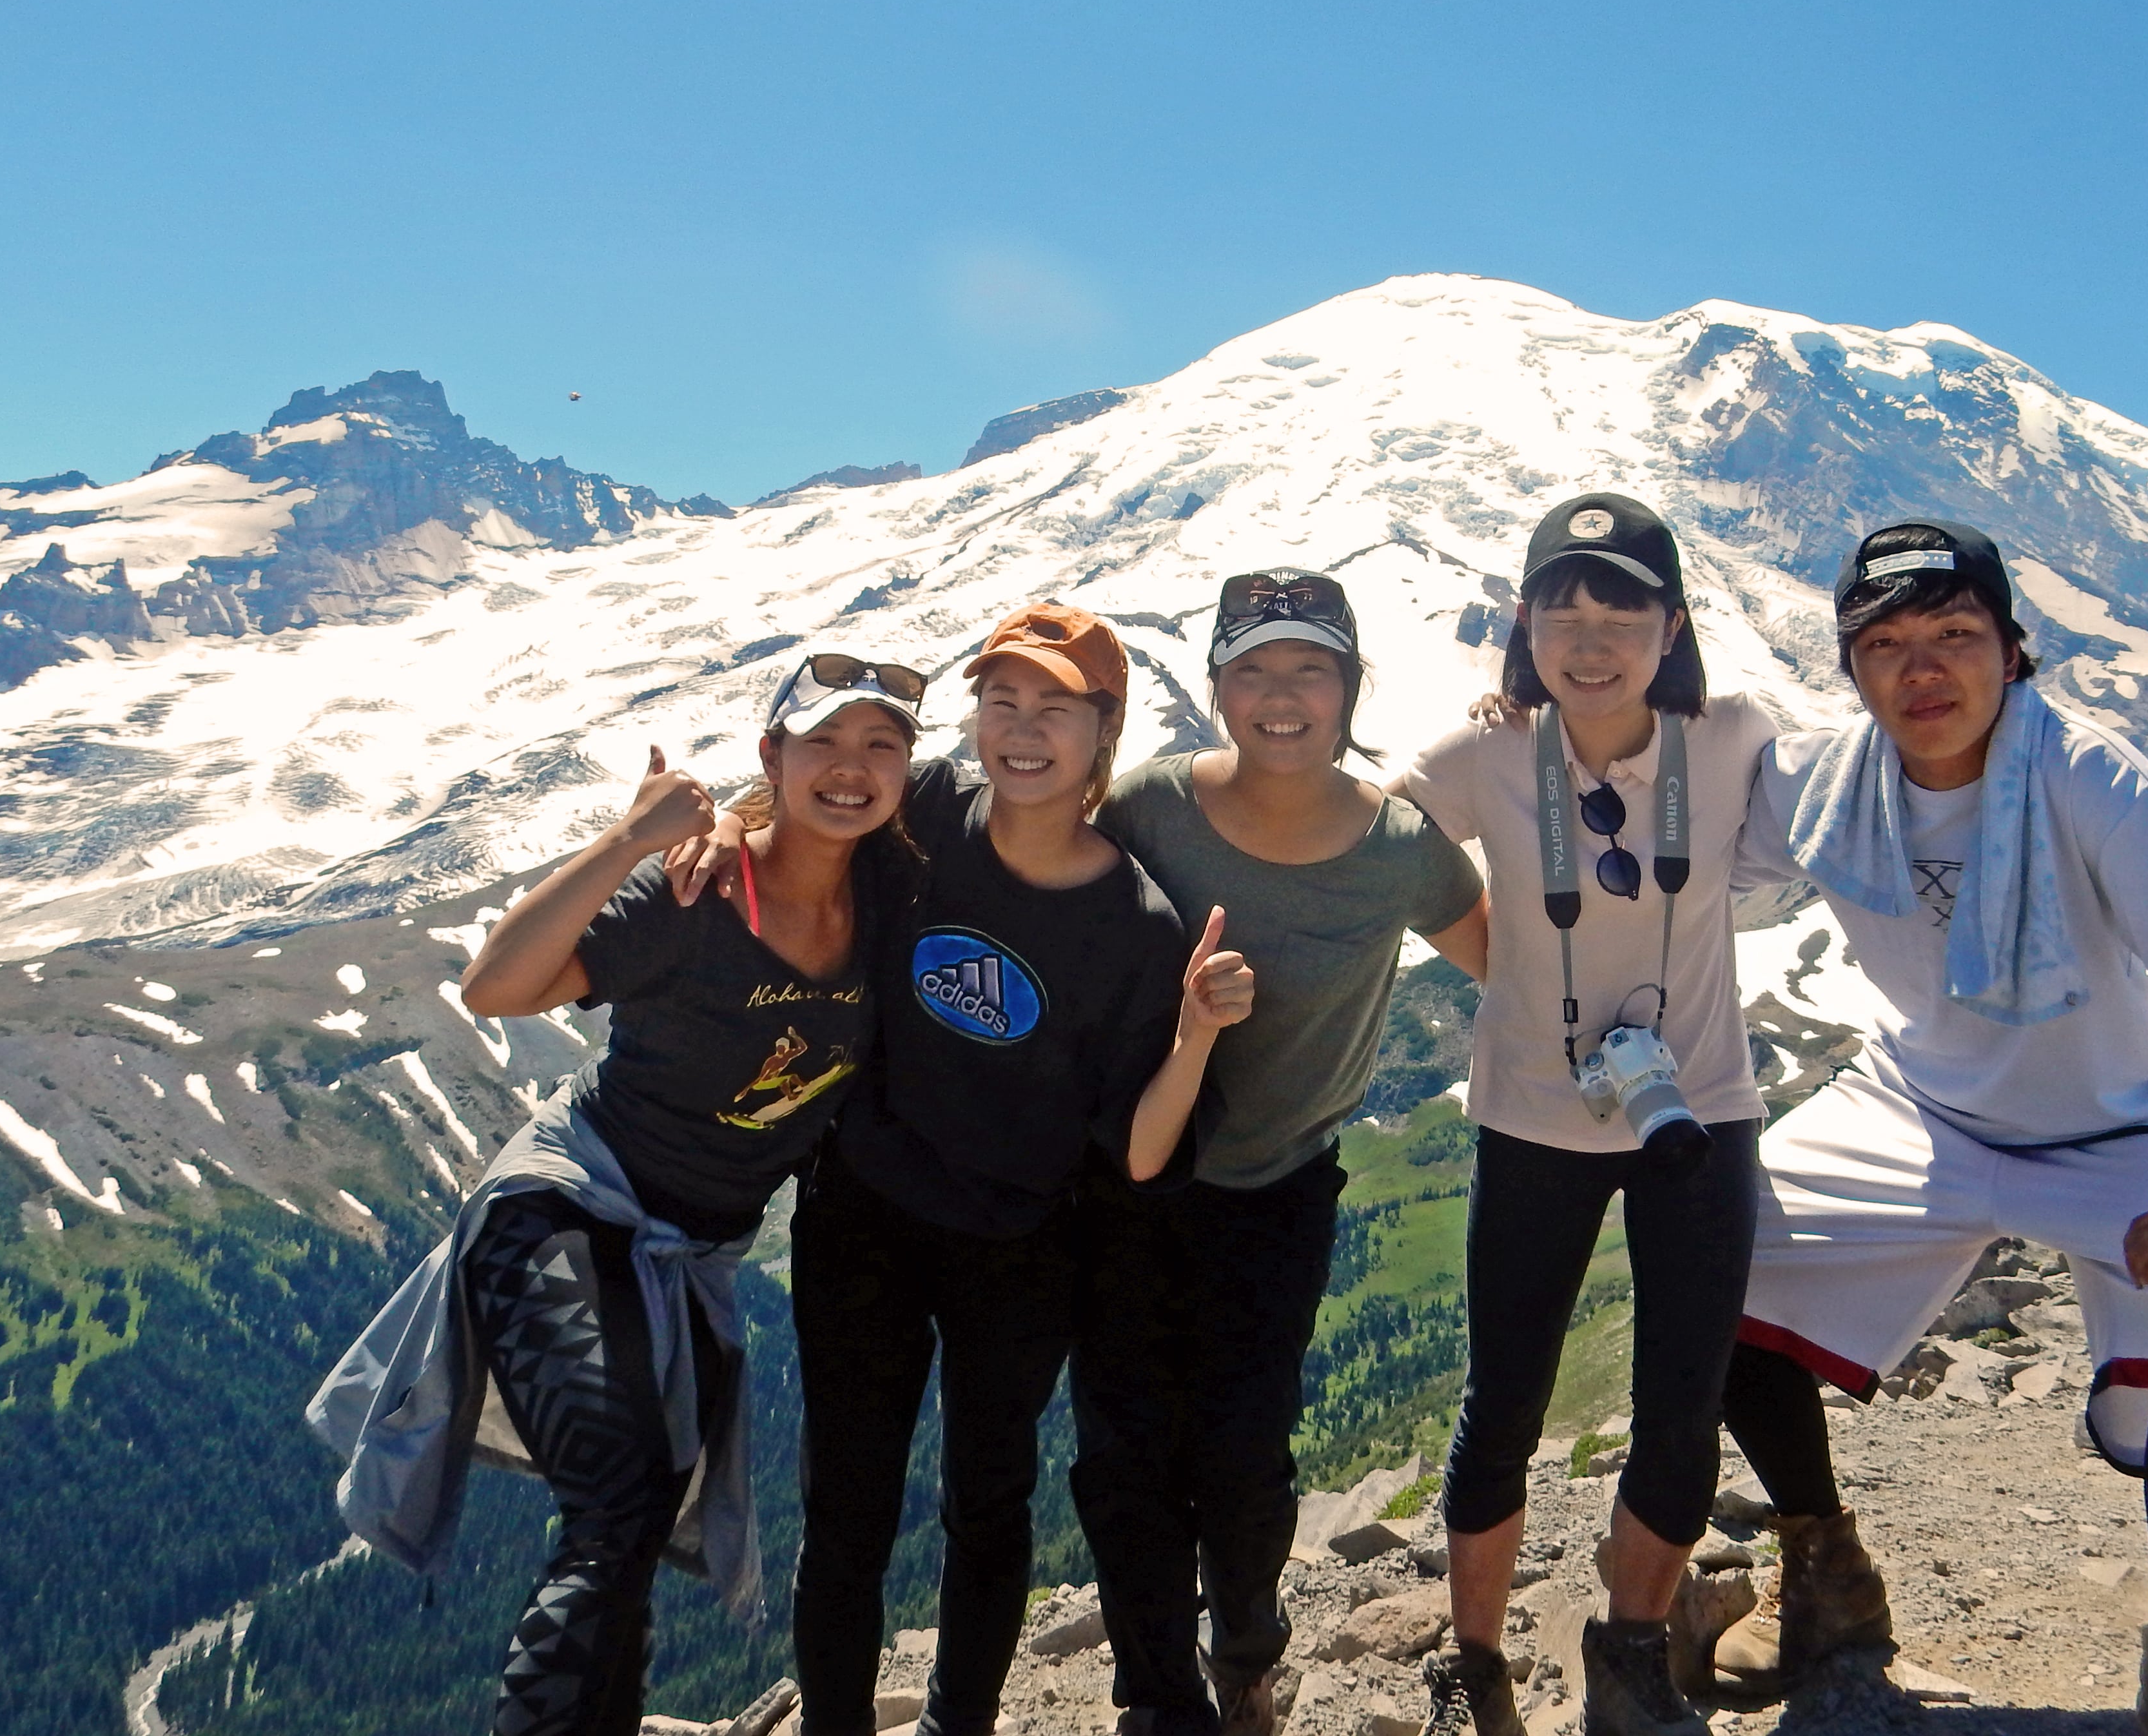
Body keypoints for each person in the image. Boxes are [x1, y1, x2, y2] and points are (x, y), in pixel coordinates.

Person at [1717, 522, 2148, 1736]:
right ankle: (1825, 1572)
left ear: (2012, 649)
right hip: (1918, 1106)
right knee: (1708, 1265)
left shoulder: (2091, 781)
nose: (1921, 670)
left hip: (2106, 1136)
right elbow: (1666, 836)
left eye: (1954, 634)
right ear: (1848, 666)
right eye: (1883, 644)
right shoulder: (1822, 781)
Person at [308, 650, 932, 1736]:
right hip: (567, 1209)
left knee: (629, 1519)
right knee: (621, 1502)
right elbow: (495, 986)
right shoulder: (690, 894)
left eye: (881, 744)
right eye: (823, 741)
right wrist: (631, 840)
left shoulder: (890, 890)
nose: (852, 767)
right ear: (771, 757)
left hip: (687, 1253)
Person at [694, 603, 1247, 1736]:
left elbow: (1144, 1152)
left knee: (987, 1505)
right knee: (846, 1513)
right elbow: (810, 805)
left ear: (1105, 732)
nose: (1023, 730)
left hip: (1020, 1250)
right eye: (1003, 701)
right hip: (863, 1217)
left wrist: (1194, 1036)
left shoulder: (1137, 926)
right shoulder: (932, 807)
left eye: (1055, 709)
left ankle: (961, 1724)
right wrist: (716, 830)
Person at [1071, 569, 1491, 1736]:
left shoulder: (1401, 849)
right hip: (1122, 1181)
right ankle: (1159, 1699)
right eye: (1252, 670)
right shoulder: (1147, 808)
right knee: (1121, 1457)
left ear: (1350, 687)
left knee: (1246, 1457)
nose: (1280, 696)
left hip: (1276, 1193)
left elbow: (1508, 965)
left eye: (1310, 669)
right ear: (1215, 689)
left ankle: (1245, 1658)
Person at [1392, 494, 1779, 1736]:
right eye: (1563, 612)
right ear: (1523, 624)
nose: (1591, 640)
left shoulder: (1732, 740)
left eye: (1622, 612)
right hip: (1532, 1119)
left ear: (1674, 626)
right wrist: (1496, 963)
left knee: (1682, 1403)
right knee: (1502, 1403)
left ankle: (1628, 1659)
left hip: (1697, 1114)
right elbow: (1375, 843)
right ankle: (1475, 1665)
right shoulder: (1484, 754)